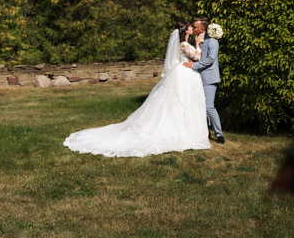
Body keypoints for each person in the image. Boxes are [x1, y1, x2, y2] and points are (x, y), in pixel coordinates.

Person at [63, 22, 209, 157]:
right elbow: (197, 57)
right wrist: (197, 44)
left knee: (177, 100)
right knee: (179, 99)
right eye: (190, 26)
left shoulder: (181, 44)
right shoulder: (184, 44)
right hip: (183, 73)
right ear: (185, 31)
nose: (192, 28)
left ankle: (183, 126)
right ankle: (181, 128)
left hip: (182, 73)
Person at [183, 16, 223, 143]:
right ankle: (205, 131)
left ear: (201, 29)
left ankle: (219, 134)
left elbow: (210, 60)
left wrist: (193, 65)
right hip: (197, 77)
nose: (192, 28)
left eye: (194, 27)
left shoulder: (212, 42)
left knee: (209, 107)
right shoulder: (196, 40)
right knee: (200, 106)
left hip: (209, 78)